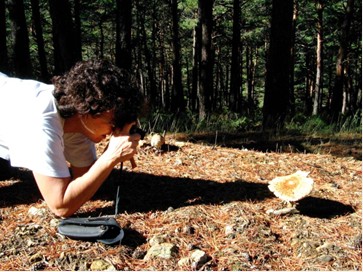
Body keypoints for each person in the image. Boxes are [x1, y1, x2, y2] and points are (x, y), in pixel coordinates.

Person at [0, 59, 144, 217]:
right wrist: (111, 156)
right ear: (87, 111)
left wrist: (112, 153)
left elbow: (84, 179)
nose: (116, 130)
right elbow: (61, 206)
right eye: (114, 122)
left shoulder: (78, 122)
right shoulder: (41, 123)